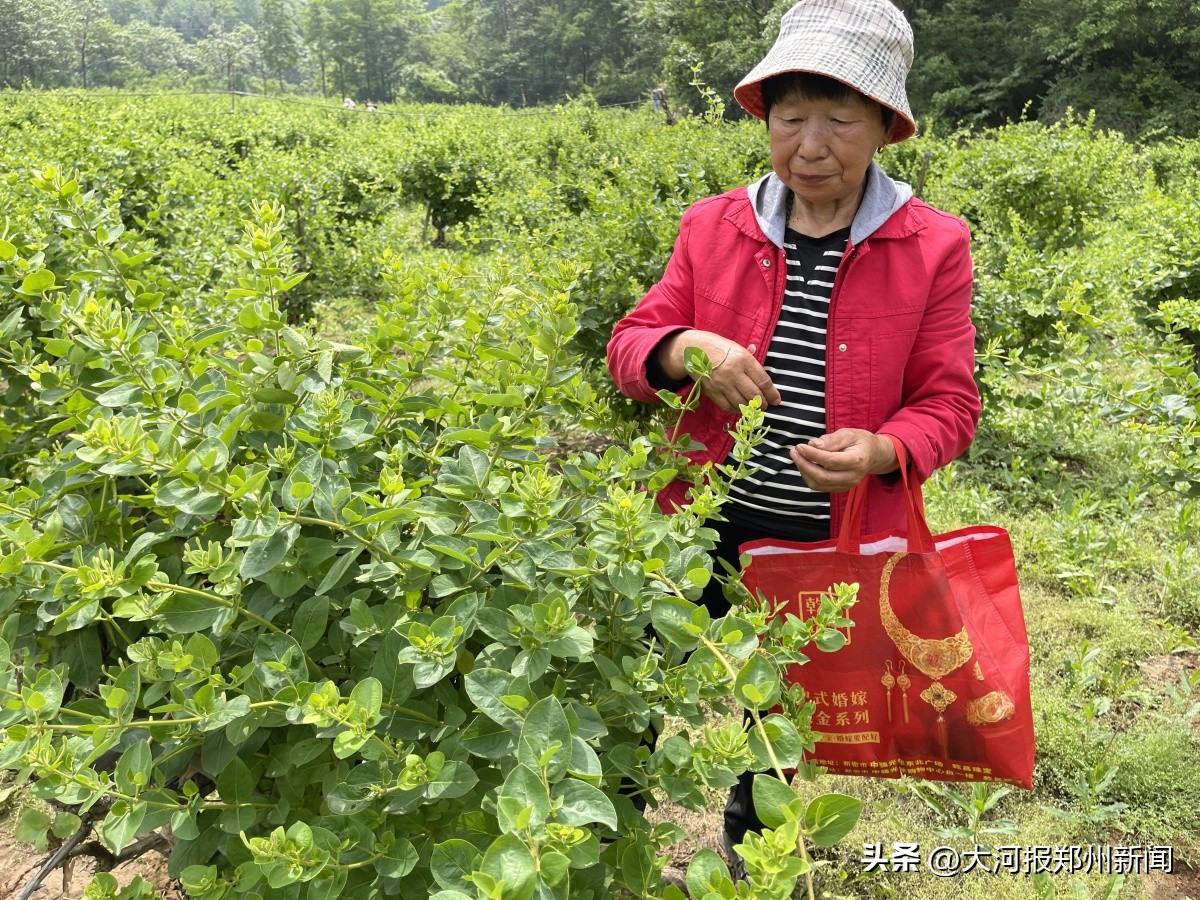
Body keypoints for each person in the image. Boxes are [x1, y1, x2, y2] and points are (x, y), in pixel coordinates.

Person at [605, 0, 980, 879]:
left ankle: (755, 869)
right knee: (633, 696)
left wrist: (884, 451)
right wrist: (684, 348)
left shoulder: (934, 246)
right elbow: (631, 345)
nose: (810, 145)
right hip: (691, 522)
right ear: (764, 119)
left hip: (819, 543)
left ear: (886, 125)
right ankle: (601, 849)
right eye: (789, 118)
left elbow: (950, 402)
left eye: (838, 119)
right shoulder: (712, 226)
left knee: (773, 727)